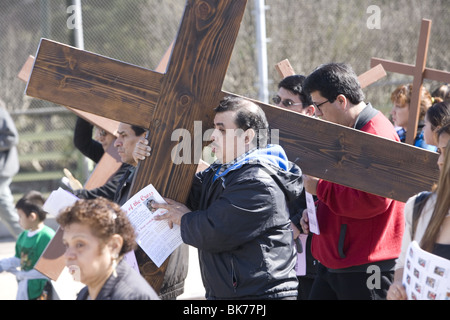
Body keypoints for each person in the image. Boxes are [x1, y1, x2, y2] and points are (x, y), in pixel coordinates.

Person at [149, 96, 302, 300]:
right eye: (214, 128)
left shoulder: (259, 182)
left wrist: (183, 218)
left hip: (259, 296)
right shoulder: (222, 172)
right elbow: (187, 192)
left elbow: (215, 231)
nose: (212, 136)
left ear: (247, 137)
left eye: (221, 129)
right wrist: (146, 156)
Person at [300, 62, 406, 300]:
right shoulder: (350, 129)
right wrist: (316, 210)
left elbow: (375, 200)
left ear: (341, 100)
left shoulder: (375, 135)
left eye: (318, 106)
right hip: (338, 260)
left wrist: (320, 188)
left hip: (365, 266)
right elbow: (344, 186)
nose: (317, 113)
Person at [113, 122, 188, 300]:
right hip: (134, 275)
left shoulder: (167, 170)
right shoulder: (128, 172)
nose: (116, 142)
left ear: (145, 138)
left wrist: (149, 161)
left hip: (157, 278)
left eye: (123, 135)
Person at [387, 122, 450, 300]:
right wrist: (397, 287)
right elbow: (403, 263)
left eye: (447, 152)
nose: (440, 161)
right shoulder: (419, 206)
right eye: (439, 152)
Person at [56, 197, 159, 300]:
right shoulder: (86, 292)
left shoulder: (132, 296)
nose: (68, 255)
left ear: (114, 246)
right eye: (67, 245)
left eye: (80, 244)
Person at [273, 74, 318, 300]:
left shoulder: (320, 148)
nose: (279, 107)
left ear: (309, 111)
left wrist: (297, 220)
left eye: (288, 103)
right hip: (277, 251)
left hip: (310, 253)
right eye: (277, 100)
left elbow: (321, 193)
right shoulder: (270, 142)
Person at [0, 191, 55, 300]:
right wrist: (3, 264)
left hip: (41, 289)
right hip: (25, 286)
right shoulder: (23, 236)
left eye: (20, 216)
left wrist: (29, 275)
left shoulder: (47, 236)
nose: (18, 220)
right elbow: (19, 259)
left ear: (32, 216)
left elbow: (51, 268)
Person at [72, 117, 132, 201]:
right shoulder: (109, 155)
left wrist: (80, 195)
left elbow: (113, 190)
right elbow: (82, 142)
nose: (98, 137)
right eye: (97, 130)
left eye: (103, 132)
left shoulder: (129, 159)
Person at [390, 84, 436, 151]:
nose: (392, 112)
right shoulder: (400, 134)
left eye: (398, 106)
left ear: (416, 109)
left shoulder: (425, 144)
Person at [0, 99, 22, 238]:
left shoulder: (1, 113)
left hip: (3, 168)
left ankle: (26, 238)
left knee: (3, 204)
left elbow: (12, 137)